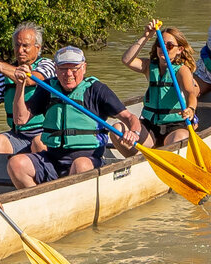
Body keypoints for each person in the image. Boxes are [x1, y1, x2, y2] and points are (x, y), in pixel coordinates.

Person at [8, 45, 141, 187]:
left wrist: (134, 132)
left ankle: (68, 194)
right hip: (52, 159)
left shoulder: (97, 89)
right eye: (63, 69)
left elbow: (129, 117)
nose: (68, 74)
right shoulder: (47, 88)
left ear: (84, 68)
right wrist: (20, 85)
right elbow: (20, 119)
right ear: (56, 69)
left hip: (88, 160)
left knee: (80, 165)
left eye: (74, 69)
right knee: (16, 164)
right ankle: (39, 197)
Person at [0, 23, 55, 156]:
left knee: (38, 143)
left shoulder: (48, 65)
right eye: (17, 45)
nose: (20, 50)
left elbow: (30, 80)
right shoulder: (3, 75)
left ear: (37, 48)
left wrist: (0, 66)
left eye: (25, 46)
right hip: (18, 134)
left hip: (44, 133)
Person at [120, 21, 202, 150]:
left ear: (179, 50)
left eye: (169, 46)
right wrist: (146, 36)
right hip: (150, 125)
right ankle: (139, 158)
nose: (164, 48)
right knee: (118, 129)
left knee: (179, 138)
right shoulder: (148, 66)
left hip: (174, 126)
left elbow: (190, 93)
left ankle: (168, 154)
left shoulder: (182, 70)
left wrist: (191, 109)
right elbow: (127, 60)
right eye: (160, 44)